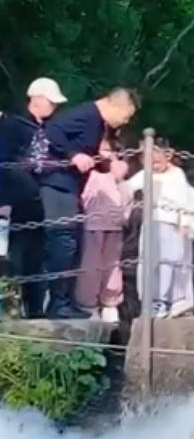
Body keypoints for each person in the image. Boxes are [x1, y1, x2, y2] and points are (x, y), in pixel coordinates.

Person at [38, 88, 137, 319]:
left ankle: (63, 301)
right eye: (126, 115)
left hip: (71, 186)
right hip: (58, 184)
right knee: (63, 242)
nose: (126, 121)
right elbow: (52, 129)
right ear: (115, 106)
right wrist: (73, 155)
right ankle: (57, 304)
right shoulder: (86, 114)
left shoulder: (98, 123)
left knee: (71, 242)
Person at [0, 78, 67, 317]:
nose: (54, 107)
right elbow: (3, 161)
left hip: (37, 203)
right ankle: (10, 309)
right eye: (50, 102)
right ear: (36, 99)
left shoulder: (48, 128)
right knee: (11, 258)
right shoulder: (12, 126)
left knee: (35, 258)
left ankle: (35, 309)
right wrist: (3, 200)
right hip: (12, 204)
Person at [125, 141, 194, 317]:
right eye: (148, 163)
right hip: (152, 222)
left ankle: (166, 300)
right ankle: (149, 300)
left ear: (168, 156)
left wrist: (184, 224)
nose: (153, 167)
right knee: (148, 262)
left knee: (169, 262)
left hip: (171, 223)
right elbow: (128, 187)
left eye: (157, 162)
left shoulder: (177, 175)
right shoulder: (146, 174)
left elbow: (185, 202)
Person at [75, 137, 130, 322]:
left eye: (109, 150)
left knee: (113, 267)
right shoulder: (88, 174)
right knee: (90, 267)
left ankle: (110, 302)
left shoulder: (118, 175)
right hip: (91, 226)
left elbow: (127, 198)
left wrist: (120, 178)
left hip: (114, 227)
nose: (106, 155)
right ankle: (88, 304)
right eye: (102, 150)